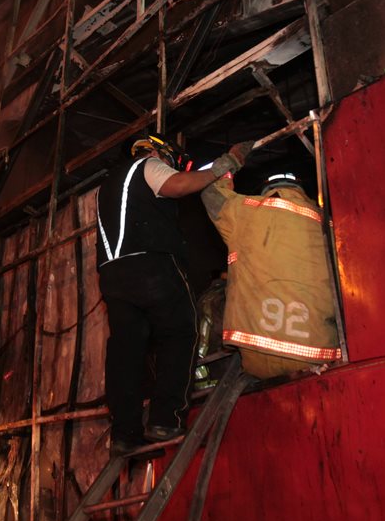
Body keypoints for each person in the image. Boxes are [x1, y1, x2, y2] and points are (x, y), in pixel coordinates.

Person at [96, 132, 252, 456]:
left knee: (127, 351)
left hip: (112, 276)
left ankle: (125, 434)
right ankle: (166, 418)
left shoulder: (107, 187)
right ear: (160, 153)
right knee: (180, 332)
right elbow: (178, 186)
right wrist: (223, 165)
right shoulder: (148, 164)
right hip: (151, 266)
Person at [200, 169, 341, 379]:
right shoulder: (330, 224)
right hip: (318, 356)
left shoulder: (244, 212)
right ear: (301, 191)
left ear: (267, 190)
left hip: (257, 357)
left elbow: (210, 192)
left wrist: (228, 168)